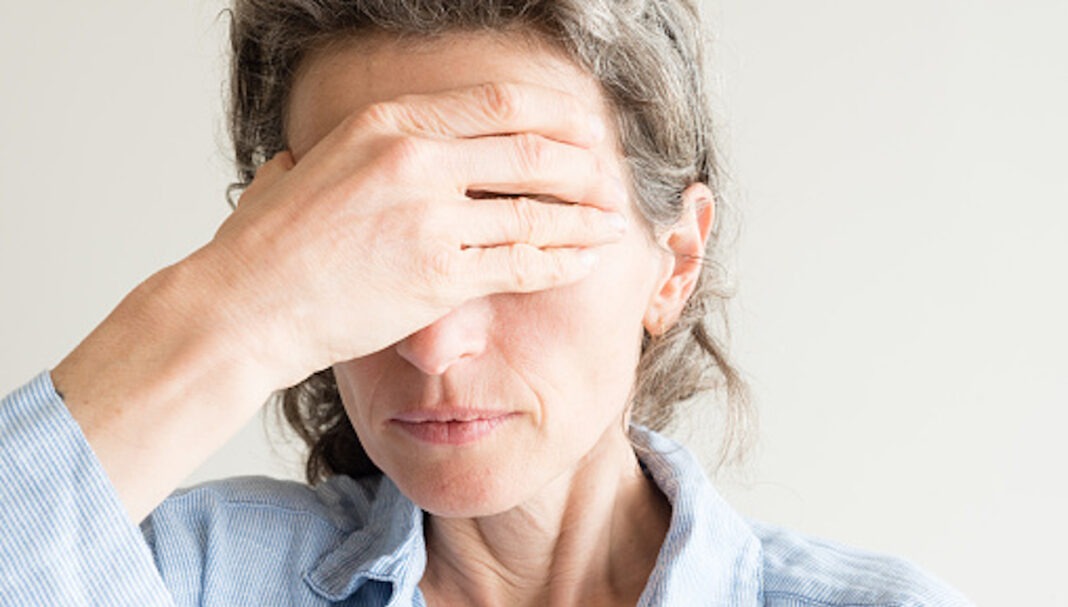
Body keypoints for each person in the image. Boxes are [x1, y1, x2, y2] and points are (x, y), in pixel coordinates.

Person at [0, 1, 973, 605]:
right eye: (367, 246)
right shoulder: (184, 577)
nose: (432, 341)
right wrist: (239, 312)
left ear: (672, 259)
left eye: (513, 230)